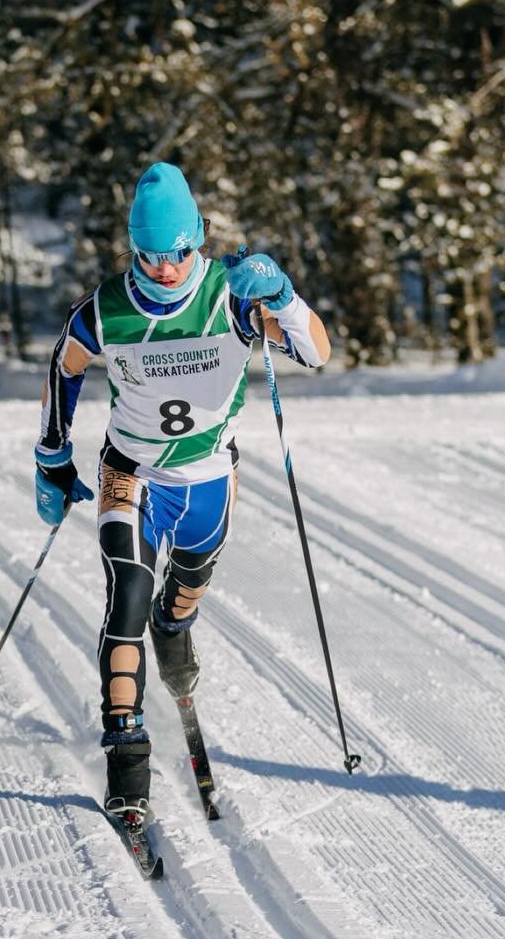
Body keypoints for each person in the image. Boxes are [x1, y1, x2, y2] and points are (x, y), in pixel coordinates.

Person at [33, 162, 332, 829]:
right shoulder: (108, 308)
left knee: (183, 587)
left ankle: (176, 624)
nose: (166, 268)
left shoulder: (230, 296)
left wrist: (281, 295)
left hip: (206, 481)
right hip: (130, 474)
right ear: (133, 249)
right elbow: (64, 363)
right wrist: (51, 456)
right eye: (150, 255)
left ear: (198, 241)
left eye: (179, 254)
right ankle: (127, 759)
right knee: (126, 599)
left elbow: (316, 353)